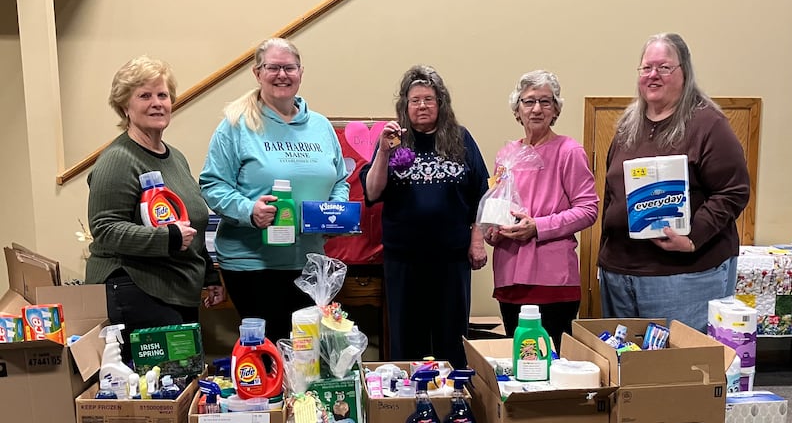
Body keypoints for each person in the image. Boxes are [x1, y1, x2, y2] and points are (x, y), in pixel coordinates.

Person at [598, 33, 750, 331]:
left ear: (684, 72)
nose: (653, 75)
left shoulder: (708, 125)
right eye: (646, 68)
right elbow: (613, 195)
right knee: (625, 369)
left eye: (664, 68)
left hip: (685, 277)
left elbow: (733, 191)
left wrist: (694, 237)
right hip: (620, 273)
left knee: (675, 369)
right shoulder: (627, 126)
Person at [200, 38, 349, 342]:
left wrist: (335, 212)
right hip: (253, 264)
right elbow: (212, 184)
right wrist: (249, 210)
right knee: (268, 353)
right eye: (273, 68)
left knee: (306, 353)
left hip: (308, 263)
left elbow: (339, 180)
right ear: (257, 73)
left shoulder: (320, 126)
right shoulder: (236, 125)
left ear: (301, 72)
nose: (282, 74)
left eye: (289, 68)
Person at [86, 55, 225, 364]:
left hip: (177, 290)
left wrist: (208, 276)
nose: (157, 103)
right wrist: (168, 238)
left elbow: (190, 222)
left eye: (162, 95)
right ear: (125, 106)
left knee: (183, 383)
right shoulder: (118, 159)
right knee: (164, 389)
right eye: (145, 95)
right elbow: (105, 230)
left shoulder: (173, 157)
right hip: (138, 289)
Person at [362, 65, 489, 368]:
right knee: (407, 339)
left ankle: (455, 403)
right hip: (404, 260)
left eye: (429, 99)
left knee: (451, 339)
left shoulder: (461, 139)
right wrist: (382, 152)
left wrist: (477, 240)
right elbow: (372, 191)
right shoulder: (393, 141)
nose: (422, 106)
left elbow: (483, 195)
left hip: (451, 259)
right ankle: (411, 404)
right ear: (405, 105)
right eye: (415, 100)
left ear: (441, 104)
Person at [484, 71, 599, 354]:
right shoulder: (506, 154)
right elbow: (498, 202)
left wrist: (538, 226)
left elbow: (588, 210)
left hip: (552, 280)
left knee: (553, 365)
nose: (537, 109)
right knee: (520, 365)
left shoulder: (569, 151)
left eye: (545, 102)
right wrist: (493, 229)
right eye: (529, 101)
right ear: (517, 110)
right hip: (510, 276)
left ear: (556, 109)